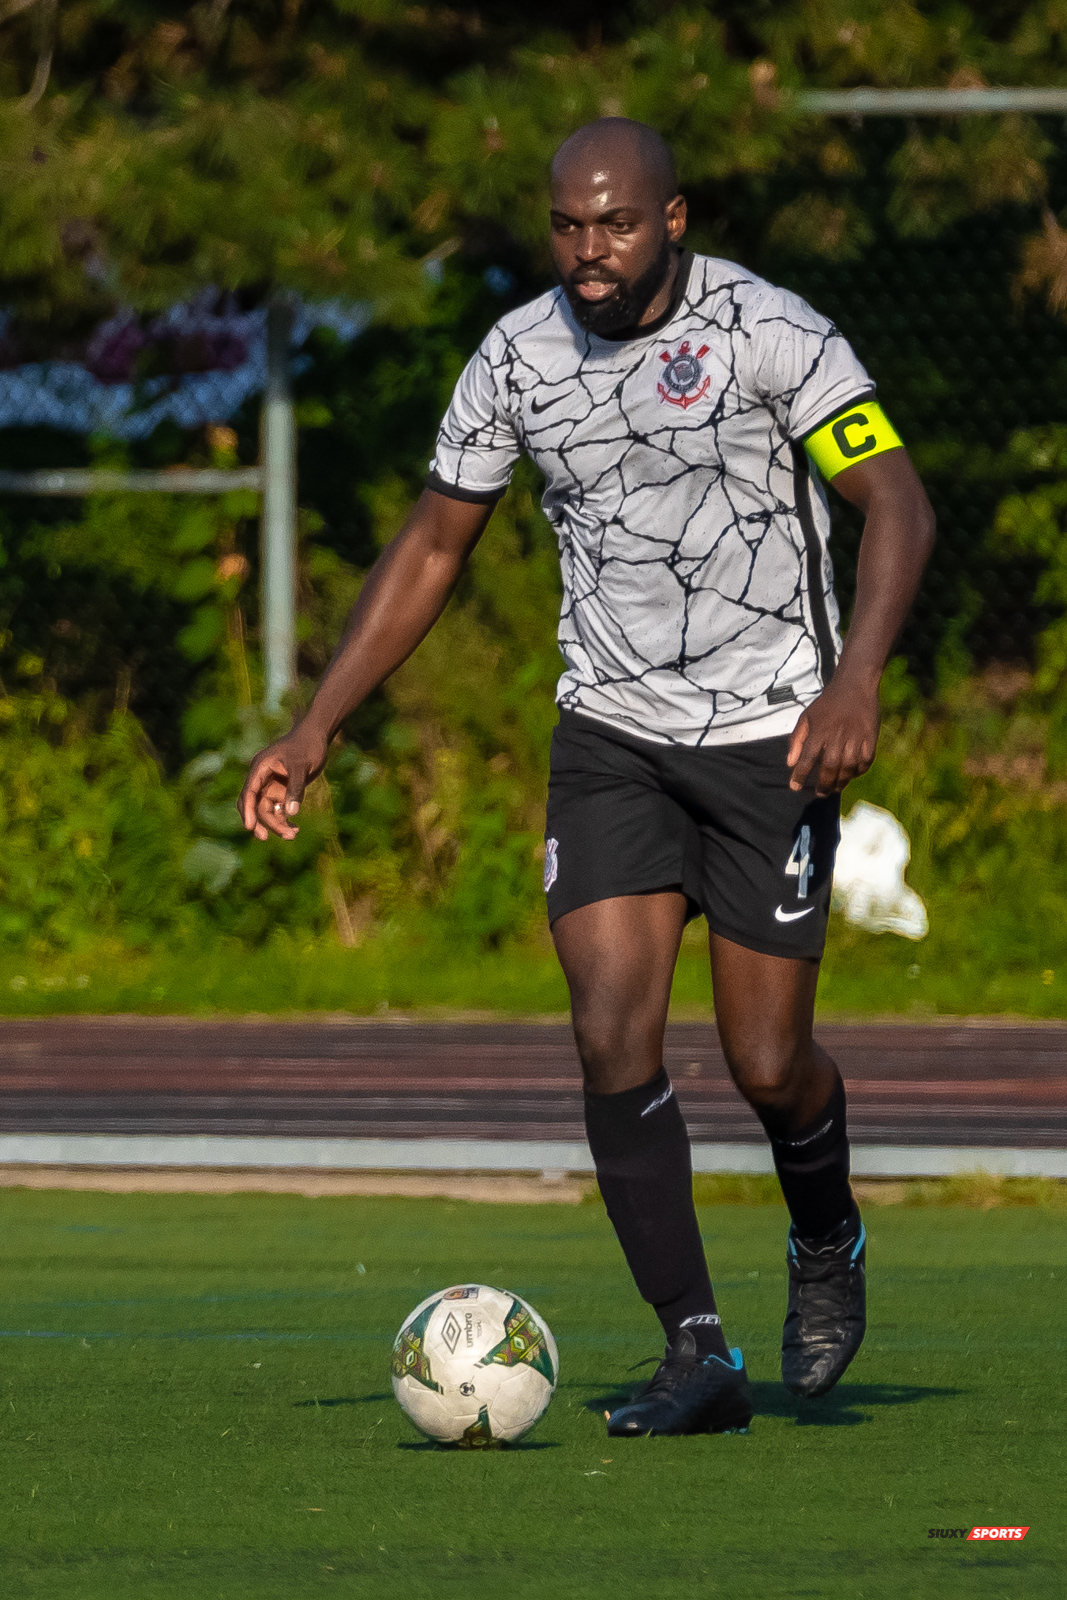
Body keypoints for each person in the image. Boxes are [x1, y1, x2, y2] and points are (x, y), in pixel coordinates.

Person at [239, 118, 935, 1438]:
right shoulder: (516, 357)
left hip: (769, 735)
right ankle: (698, 1356)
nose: (589, 251)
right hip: (611, 735)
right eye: (568, 226)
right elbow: (436, 546)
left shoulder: (773, 332)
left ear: (674, 218)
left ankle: (827, 1236)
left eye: (615, 224)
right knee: (612, 1034)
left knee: (767, 1058)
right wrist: (316, 722)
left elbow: (895, 502)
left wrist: (860, 682)